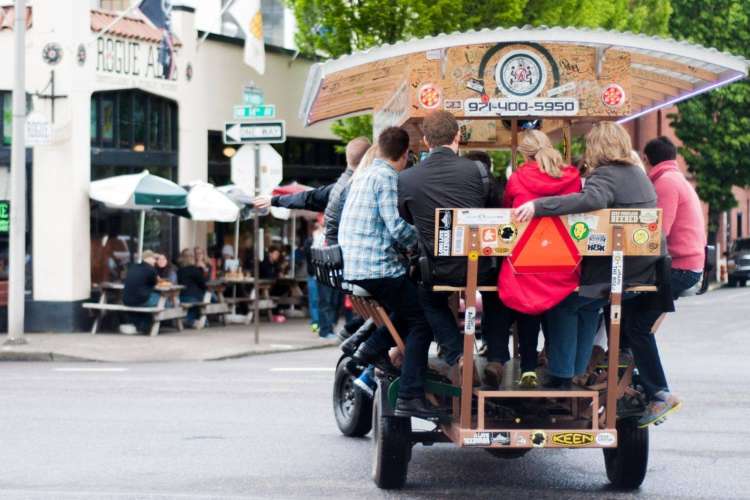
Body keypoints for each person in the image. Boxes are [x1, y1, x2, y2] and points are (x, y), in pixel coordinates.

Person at [515, 121, 670, 389]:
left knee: (564, 303)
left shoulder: (606, 175)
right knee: (588, 306)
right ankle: (573, 369)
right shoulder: (638, 173)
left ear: (597, 147)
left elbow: (591, 200)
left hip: (614, 273)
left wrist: (538, 206)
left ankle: (562, 375)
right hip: (642, 270)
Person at [397, 110, 505, 387]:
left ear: (425, 140)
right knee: (497, 294)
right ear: (458, 136)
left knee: (429, 299)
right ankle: (495, 356)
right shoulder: (478, 172)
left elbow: (408, 217)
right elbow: (496, 209)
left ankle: (457, 353)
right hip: (480, 266)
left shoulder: (407, 179)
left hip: (436, 269)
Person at [340, 126, 440, 420]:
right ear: (405, 155)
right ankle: (410, 394)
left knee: (410, 304)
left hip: (355, 265)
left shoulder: (365, 173)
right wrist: (425, 245)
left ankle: (370, 348)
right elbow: (396, 227)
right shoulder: (386, 178)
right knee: (424, 318)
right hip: (375, 268)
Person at [620, 136, 705, 427]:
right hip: (685, 265)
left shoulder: (666, 183)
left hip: (678, 268)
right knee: (631, 317)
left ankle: (659, 393)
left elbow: (658, 233)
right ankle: (636, 376)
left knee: (634, 322)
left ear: (646, 159)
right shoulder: (676, 178)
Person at [499, 130, 582, 388]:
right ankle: (556, 363)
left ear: (524, 155)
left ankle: (528, 368)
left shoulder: (517, 179)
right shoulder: (572, 176)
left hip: (526, 260)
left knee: (526, 306)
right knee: (558, 308)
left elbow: (507, 212)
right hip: (563, 260)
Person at [177, 248, 207, 327]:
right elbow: (203, 284)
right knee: (209, 297)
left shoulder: (179, 270)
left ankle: (190, 320)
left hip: (180, 296)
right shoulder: (195, 270)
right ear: (192, 258)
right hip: (193, 297)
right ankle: (191, 321)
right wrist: (203, 269)